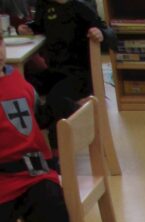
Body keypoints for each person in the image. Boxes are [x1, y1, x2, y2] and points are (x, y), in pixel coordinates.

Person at [0, 33, 86, 222]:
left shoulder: (19, 80)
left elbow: (34, 122)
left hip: (35, 172)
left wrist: (60, 110)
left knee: (54, 219)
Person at [17, 0, 114, 138]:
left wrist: (100, 33)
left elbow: (109, 33)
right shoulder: (44, 6)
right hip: (54, 72)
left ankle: (54, 146)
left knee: (56, 99)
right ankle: (30, 127)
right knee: (21, 85)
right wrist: (28, 28)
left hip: (79, 74)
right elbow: (39, 25)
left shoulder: (81, 6)